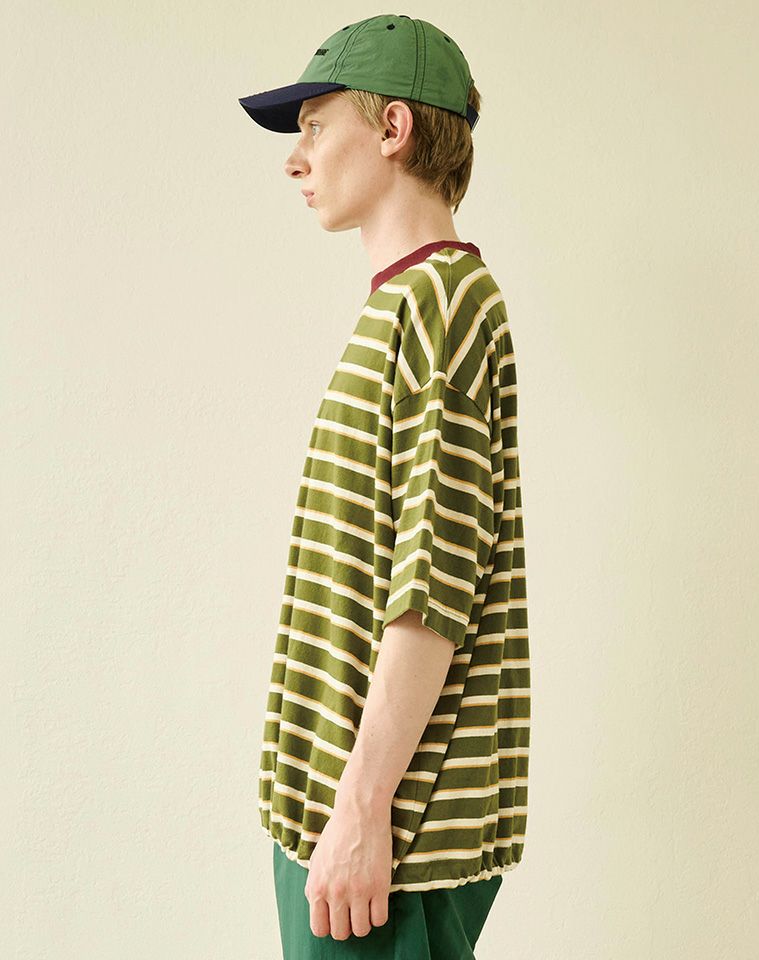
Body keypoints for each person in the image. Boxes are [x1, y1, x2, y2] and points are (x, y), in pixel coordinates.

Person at [238, 13, 531, 958]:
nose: (297, 159)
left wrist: (364, 810)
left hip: (388, 844)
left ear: (394, 128)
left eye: (316, 126)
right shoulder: (405, 302)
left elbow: (432, 586)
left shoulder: (442, 303)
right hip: (344, 825)